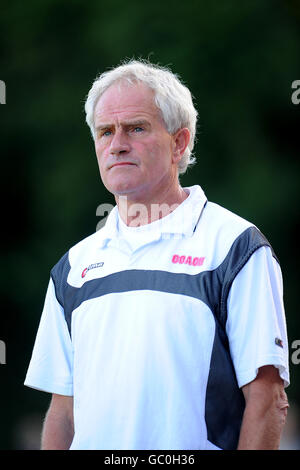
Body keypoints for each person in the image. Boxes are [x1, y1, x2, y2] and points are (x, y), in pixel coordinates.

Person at [24, 59, 290, 450]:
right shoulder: (73, 268)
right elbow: (64, 411)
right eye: (105, 132)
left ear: (179, 142)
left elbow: (267, 399)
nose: (117, 144)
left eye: (136, 128)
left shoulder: (234, 247)